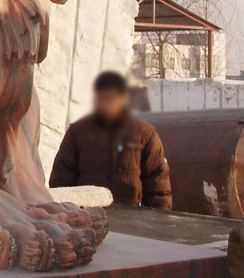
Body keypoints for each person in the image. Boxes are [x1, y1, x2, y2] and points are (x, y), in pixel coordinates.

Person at [49, 71, 172, 209]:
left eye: (110, 99)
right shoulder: (77, 133)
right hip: (88, 218)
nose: (105, 104)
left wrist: (158, 221)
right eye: (101, 98)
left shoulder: (145, 134)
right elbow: (61, 183)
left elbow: (158, 187)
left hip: (132, 222)